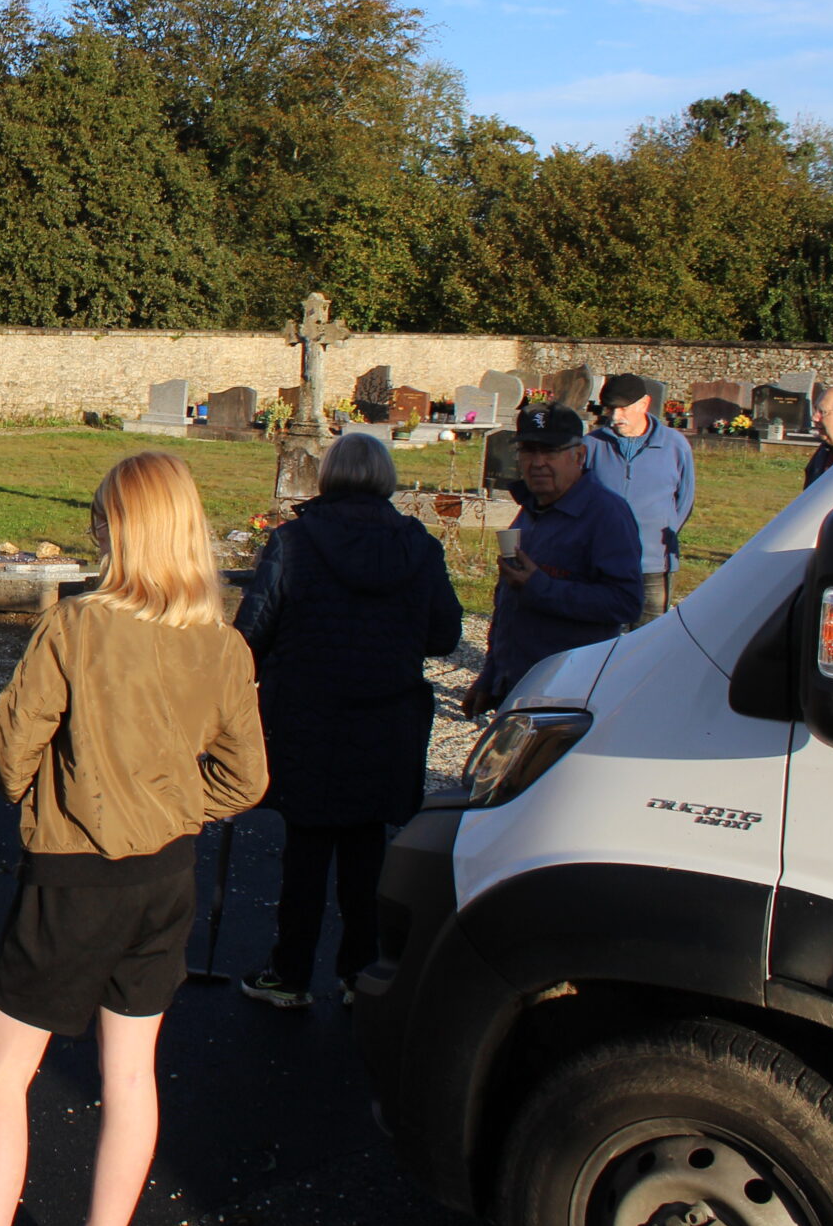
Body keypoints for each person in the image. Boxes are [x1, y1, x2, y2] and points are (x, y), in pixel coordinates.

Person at [0, 451, 265, 1226]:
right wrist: (174, 806)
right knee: (132, 1075)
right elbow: (245, 779)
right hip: (167, 875)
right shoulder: (222, 641)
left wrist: (66, 798)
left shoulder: (80, 626)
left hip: (74, 877)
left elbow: (10, 749)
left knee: (3, 1074)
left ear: (120, 530)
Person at [231, 433, 460, 1011]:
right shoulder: (417, 545)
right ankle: (361, 970)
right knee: (366, 846)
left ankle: (289, 973)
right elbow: (444, 634)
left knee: (306, 848)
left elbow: (252, 633)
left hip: (310, 710)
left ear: (328, 477)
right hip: (386, 715)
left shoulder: (294, 542)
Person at [466, 404, 642, 718]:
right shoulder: (531, 509)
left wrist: (539, 587)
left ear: (579, 455)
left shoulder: (605, 515)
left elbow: (626, 603)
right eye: (528, 451)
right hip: (518, 682)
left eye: (550, 452)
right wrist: (491, 673)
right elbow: (507, 598)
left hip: (566, 692)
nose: (537, 463)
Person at [583, 373, 697, 628]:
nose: (615, 416)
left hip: (653, 564)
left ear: (644, 404)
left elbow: (684, 501)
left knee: (647, 643)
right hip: (600, 563)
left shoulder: (675, 446)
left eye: (623, 408)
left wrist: (656, 538)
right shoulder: (591, 445)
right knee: (595, 640)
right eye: (611, 408)